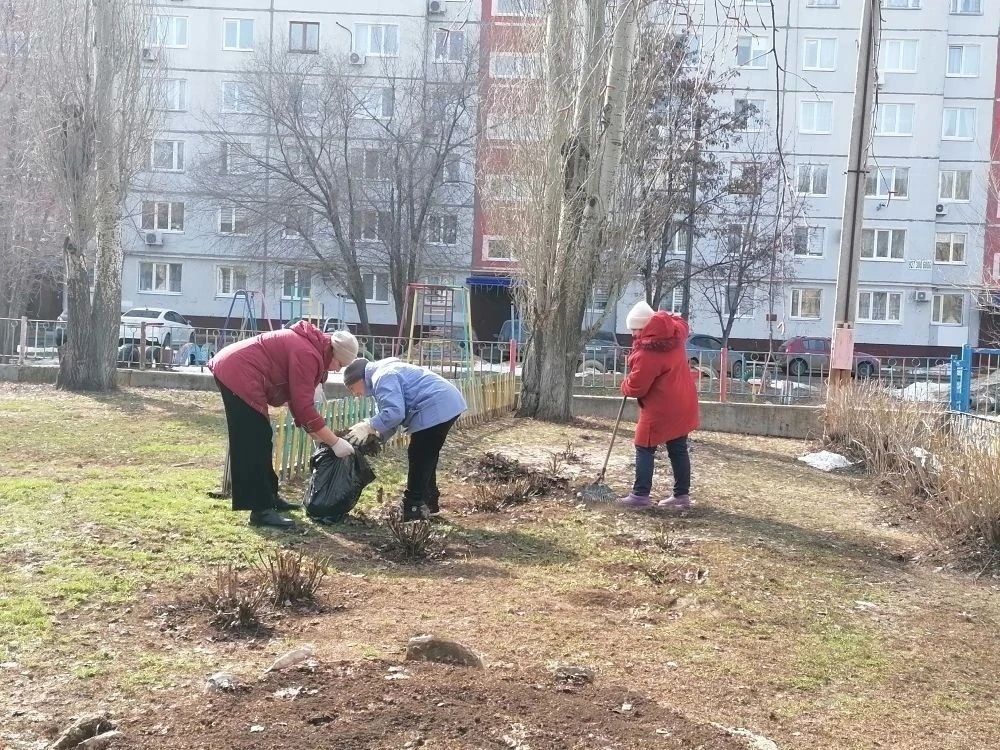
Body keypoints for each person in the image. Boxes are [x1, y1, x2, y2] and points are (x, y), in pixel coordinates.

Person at [208, 322, 359, 528]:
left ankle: (269, 499)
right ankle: (261, 512)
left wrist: (315, 435)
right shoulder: (308, 353)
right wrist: (334, 442)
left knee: (262, 439)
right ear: (333, 353)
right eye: (339, 365)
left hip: (242, 371)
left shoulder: (312, 349)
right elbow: (304, 407)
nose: (336, 370)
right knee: (253, 441)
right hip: (238, 372)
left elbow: (297, 400)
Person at [342, 357, 467, 520]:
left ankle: (413, 506)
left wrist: (368, 425)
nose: (355, 394)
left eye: (352, 388)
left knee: (419, 455)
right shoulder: (381, 376)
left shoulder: (382, 376)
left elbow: (394, 413)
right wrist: (376, 436)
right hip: (446, 402)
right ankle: (429, 500)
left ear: (359, 378)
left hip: (436, 404)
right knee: (427, 455)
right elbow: (393, 420)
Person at [618, 301, 699, 510]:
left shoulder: (648, 352)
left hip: (661, 407)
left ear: (646, 326)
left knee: (644, 446)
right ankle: (681, 496)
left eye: (636, 329)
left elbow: (637, 387)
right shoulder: (673, 338)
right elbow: (671, 318)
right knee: (678, 447)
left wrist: (625, 385)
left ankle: (640, 496)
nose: (634, 334)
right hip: (682, 400)